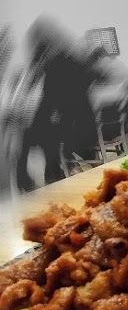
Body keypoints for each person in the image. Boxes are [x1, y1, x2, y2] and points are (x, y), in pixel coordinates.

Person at [12, 16, 110, 191]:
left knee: (34, 137)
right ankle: (55, 175)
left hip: (72, 130)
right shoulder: (70, 61)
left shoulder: (55, 66)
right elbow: (100, 78)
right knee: (38, 136)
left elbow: (47, 105)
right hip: (81, 127)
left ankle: (47, 178)